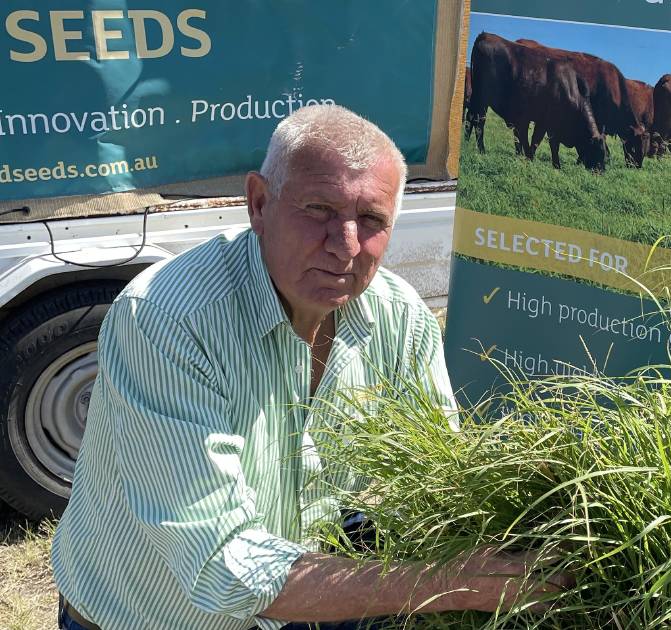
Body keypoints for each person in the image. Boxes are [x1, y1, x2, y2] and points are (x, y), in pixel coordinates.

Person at [50, 105, 566, 629]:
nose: (344, 245)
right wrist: (453, 583)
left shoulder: (400, 316)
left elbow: (436, 479)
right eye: (319, 208)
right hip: (152, 616)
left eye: (370, 220)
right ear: (258, 203)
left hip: (297, 597)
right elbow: (223, 567)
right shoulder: (167, 319)